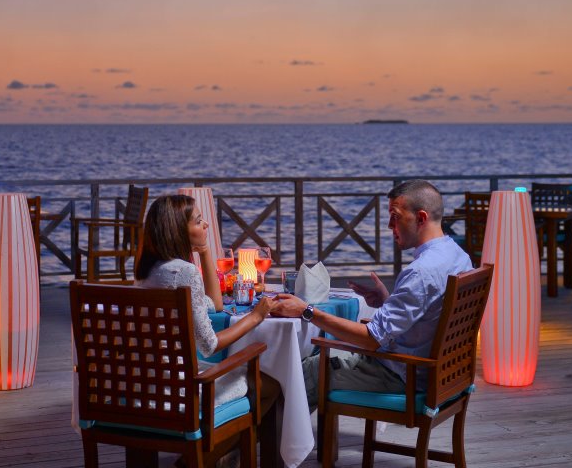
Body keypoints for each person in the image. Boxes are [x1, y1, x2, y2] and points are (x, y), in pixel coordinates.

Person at [272, 179, 472, 410]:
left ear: (421, 218)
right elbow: (432, 315)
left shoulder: (421, 272)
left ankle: (272, 444)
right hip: (443, 376)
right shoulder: (458, 256)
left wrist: (305, 311)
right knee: (320, 353)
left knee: (299, 371)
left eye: (395, 216)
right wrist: (389, 301)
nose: (389, 225)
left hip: (404, 377)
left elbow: (370, 339)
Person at [135, 194, 281, 468]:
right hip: (180, 391)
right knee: (270, 387)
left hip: (148, 387)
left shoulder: (148, 271)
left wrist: (204, 252)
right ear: (178, 229)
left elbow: (213, 305)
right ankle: (201, 459)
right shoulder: (184, 273)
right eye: (199, 221)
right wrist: (256, 317)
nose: (206, 227)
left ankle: (218, 457)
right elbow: (209, 345)